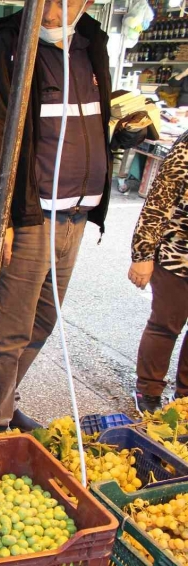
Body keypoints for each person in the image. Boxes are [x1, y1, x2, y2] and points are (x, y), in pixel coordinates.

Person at [0, 0, 112, 431]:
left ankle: (1, 401)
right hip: (32, 216)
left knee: (44, 319)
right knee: (9, 328)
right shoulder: (9, 48)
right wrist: (1, 220)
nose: (52, 8)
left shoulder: (92, 45)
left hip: (77, 213)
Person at [128, 131, 188, 413]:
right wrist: (143, 253)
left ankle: (185, 397)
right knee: (165, 326)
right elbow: (158, 202)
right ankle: (148, 390)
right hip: (178, 255)